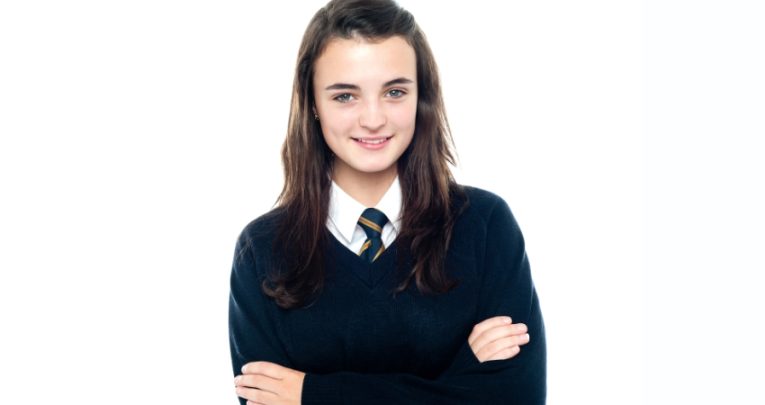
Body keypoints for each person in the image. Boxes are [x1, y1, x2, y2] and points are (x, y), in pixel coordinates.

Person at [229, 0, 546, 403]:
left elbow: (516, 398)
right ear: (312, 103)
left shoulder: (484, 226)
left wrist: (314, 393)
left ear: (421, 97)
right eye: (345, 96)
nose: (373, 118)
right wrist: (457, 380)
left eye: (394, 92)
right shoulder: (263, 249)